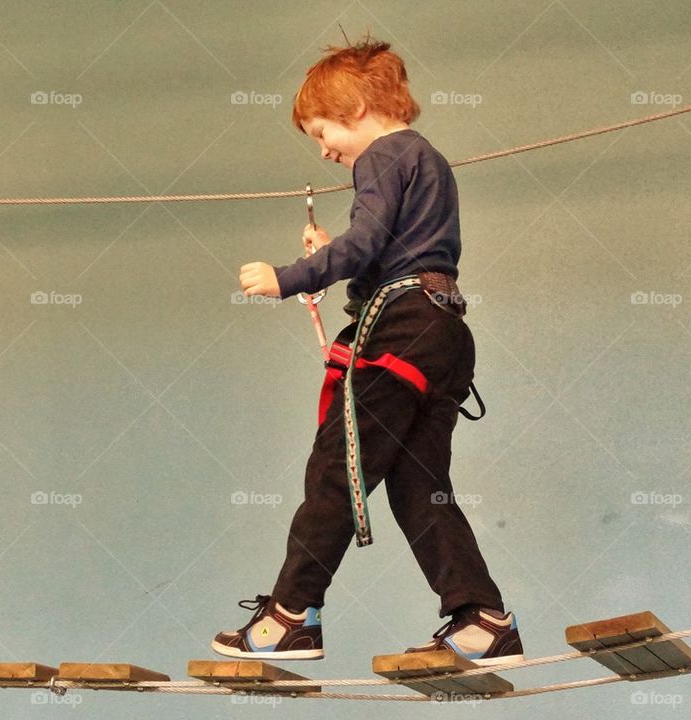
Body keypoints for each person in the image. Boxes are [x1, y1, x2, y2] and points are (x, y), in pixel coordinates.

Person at [213, 38, 524, 666]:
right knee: (418, 483)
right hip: (441, 333)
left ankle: (290, 615)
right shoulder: (426, 159)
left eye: (321, 131)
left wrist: (293, 275)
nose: (324, 149)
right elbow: (391, 248)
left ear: (354, 106)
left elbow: (365, 245)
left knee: (335, 467)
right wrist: (340, 252)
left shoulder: (381, 154)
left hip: (399, 333)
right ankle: (482, 618)